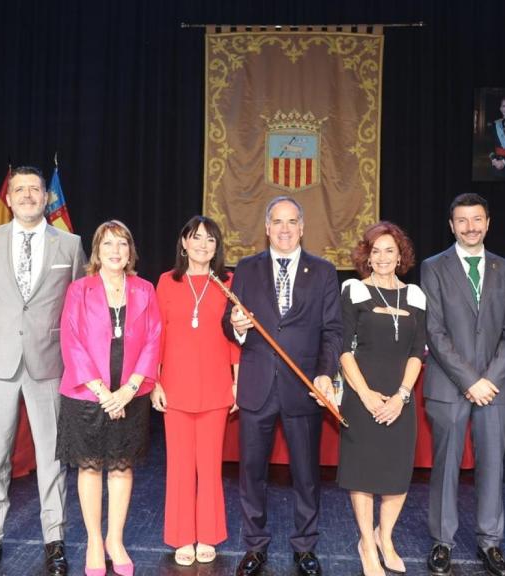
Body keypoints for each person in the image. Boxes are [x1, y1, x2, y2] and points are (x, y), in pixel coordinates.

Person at [0, 166, 86, 576]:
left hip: (49, 363)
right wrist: (1, 338)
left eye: (36, 189)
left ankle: (54, 541)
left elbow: (78, 306)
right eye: (21, 190)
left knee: (52, 458)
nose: (29, 195)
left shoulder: (69, 244)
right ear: (9, 198)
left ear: (45, 197)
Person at [225, 196, 342, 576]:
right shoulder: (246, 268)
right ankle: (255, 545)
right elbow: (230, 321)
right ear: (267, 227)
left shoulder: (323, 272)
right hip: (258, 386)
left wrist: (325, 373)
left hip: (302, 386)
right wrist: (236, 326)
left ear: (303, 227)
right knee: (252, 472)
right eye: (278, 221)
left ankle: (305, 546)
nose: (285, 228)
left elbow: (332, 331)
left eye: (292, 221)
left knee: (306, 475)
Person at [420, 193, 505, 576]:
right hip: (449, 385)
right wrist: (469, 381)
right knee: (445, 466)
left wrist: (489, 381)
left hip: (494, 390)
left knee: (493, 466)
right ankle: (442, 542)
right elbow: (434, 330)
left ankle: (490, 542)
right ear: (451, 225)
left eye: (477, 219)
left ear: (488, 222)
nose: (470, 227)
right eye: (462, 221)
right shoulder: (434, 267)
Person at [58, 220, 161, 576]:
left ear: (130, 251)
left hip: (130, 395)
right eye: (108, 245)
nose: (115, 251)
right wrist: (104, 393)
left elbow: (154, 340)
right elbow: (71, 342)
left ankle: (115, 540)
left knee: (121, 466)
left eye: (122, 244)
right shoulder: (79, 290)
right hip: (88, 394)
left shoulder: (145, 289)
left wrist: (129, 390)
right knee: (89, 465)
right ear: (96, 252)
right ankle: (92, 541)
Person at [338, 221, 426, 576]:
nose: (384, 257)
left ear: (400, 254)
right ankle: (365, 543)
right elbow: (343, 351)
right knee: (363, 475)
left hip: (399, 398)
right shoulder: (354, 291)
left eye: (390, 250)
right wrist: (366, 396)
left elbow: (417, 352)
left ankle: (384, 537)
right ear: (367, 257)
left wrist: (401, 397)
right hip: (363, 397)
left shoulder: (416, 295)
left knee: (396, 474)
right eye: (376, 251)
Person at [152, 215, 240, 566]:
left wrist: (238, 381)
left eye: (210, 240)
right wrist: (154, 381)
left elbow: (235, 337)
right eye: (196, 238)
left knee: (209, 466)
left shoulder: (228, 283)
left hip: (217, 386)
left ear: (217, 248)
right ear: (184, 243)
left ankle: (208, 534)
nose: (203, 245)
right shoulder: (166, 281)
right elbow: (155, 334)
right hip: (175, 386)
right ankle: (181, 537)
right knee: (179, 466)